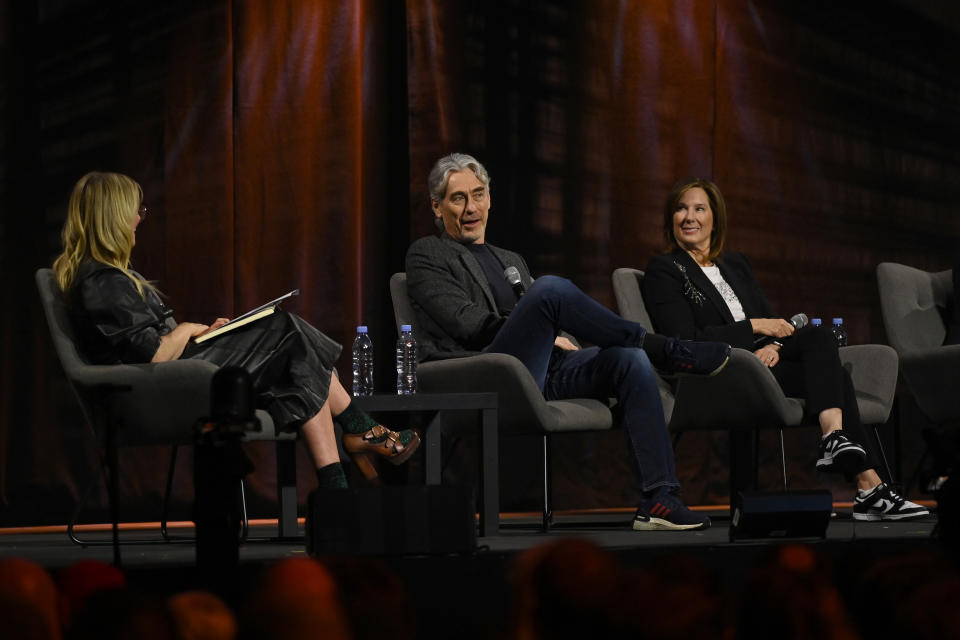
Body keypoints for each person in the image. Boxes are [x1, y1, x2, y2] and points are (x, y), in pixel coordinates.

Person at [405, 153, 732, 531]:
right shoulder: (427, 253)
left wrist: (554, 335)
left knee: (629, 361)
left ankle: (659, 499)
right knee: (549, 290)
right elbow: (467, 323)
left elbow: (551, 320)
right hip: (487, 370)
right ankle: (662, 347)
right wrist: (541, 327)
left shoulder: (508, 258)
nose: (470, 207)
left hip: (543, 371)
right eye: (457, 198)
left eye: (478, 195)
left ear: (490, 199)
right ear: (436, 206)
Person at [52, 171, 417, 488]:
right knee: (285, 329)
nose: (139, 220)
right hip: (156, 391)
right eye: (136, 211)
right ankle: (360, 434)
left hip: (179, 373)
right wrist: (188, 331)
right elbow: (155, 353)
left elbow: (152, 344)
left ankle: (338, 485)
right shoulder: (102, 280)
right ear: (114, 218)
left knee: (297, 363)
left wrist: (200, 334)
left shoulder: (109, 277)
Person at [642, 177, 928, 521]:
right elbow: (684, 341)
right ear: (670, 218)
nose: (689, 216)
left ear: (715, 219)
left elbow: (778, 322)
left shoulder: (736, 265)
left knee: (820, 340)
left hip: (765, 364)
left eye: (699, 208)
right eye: (680, 208)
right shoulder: (666, 270)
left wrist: (775, 344)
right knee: (834, 376)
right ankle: (868, 485)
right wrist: (756, 329)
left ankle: (838, 444)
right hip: (721, 373)